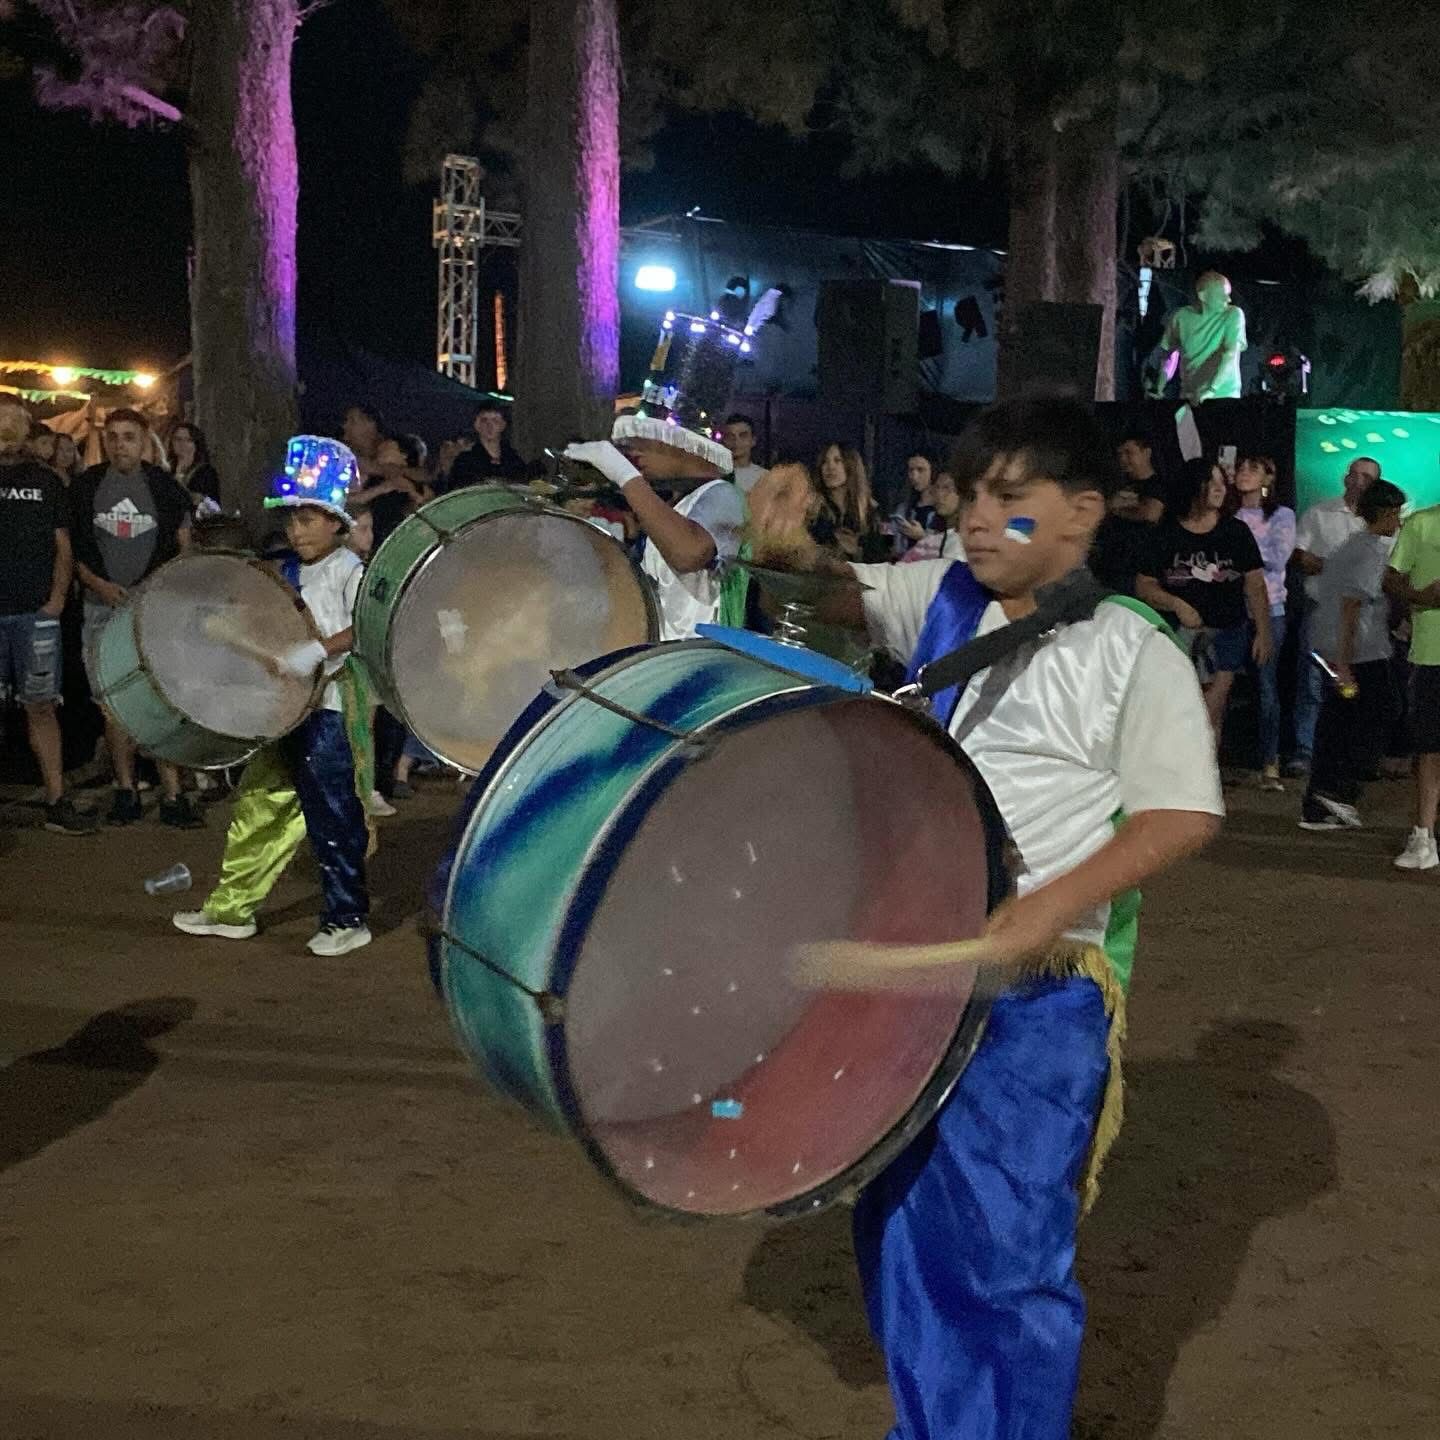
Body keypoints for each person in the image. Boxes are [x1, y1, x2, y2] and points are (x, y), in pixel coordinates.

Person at [748, 393, 1223, 1440]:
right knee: (905, 1227)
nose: (974, 520)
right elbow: (836, 599)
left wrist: (1044, 908)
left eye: (1010, 502)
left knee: (1005, 1256)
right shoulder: (947, 596)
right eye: (969, 498)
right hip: (921, 974)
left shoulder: (1130, 647)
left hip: (1037, 999)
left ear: (1082, 513)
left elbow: (1183, 813)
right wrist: (787, 549)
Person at [173, 440, 373, 955]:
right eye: (291, 521)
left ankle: (347, 918)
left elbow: (367, 626)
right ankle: (232, 910)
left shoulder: (352, 571)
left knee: (332, 818)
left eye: (307, 520)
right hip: (287, 710)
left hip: (330, 712)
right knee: (257, 806)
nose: (296, 530)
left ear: (335, 523)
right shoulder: (285, 571)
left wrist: (317, 650)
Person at [71, 408, 200, 828]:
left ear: (144, 439)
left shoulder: (164, 487)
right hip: (102, 608)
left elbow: (184, 547)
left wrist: (156, 590)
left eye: (128, 436)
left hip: (152, 610)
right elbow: (73, 550)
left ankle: (173, 794)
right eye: (112, 437)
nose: (119, 445)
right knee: (112, 703)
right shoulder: (86, 487)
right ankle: (125, 789)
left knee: (158, 699)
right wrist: (99, 584)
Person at [0, 395, 95, 834]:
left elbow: (63, 546)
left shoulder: (46, 480)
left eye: (15, 420)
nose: (8, 428)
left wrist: (56, 601)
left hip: (35, 614)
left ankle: (57, 800)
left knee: (41, 706)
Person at [562, 433, 746, 641]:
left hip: (700, 650)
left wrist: (626, 476)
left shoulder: (723, 493)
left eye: (648, 441)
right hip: (668, 647)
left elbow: (688, 554)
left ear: (688, 446)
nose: (635, 450)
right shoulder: (678, 502)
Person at [1137, 457, 1272, 738]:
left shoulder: (1235, 531)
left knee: (1210, 711)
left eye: (1222, 482)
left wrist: (1263, 631)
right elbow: (1144, 585)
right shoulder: (1165, 533)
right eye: (1210, 482)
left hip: (1226, 630)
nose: (1219, 488)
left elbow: (1255, 584)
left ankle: (1206, 764)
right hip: (1176, 634)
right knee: (1174, 710)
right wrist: (1176, 604)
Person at [1300, 480, 1406, 832]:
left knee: (1340, 719)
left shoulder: (1354, 546)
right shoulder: (1369, 551)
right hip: (1358, 653)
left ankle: (1323, 799)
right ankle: (1336, 791)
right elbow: (1350, 606)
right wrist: (1343, 664)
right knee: (1374, 712)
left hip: (1342, 649)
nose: (1399, 522)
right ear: (1384, 513)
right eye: (1396, 514)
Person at [1292, 456, 1380, 773]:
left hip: (1362, 617)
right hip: (1322, 610)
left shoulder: (1380, 522)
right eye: (1353, 474)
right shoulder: (1319, 513)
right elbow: (1299, 554)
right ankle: (1306, 751)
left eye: (1366, 477)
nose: (1358, 481)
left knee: (1354, 685)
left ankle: (1348, 754)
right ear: (1344, 478)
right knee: (1313, 683)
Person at [1234, 455, 1297, 789]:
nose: (1243, 473)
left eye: (1253, 469)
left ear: (1268, 479)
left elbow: (1278, 557)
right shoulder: (1229, 514)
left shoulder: (1281, 515)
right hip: (1231, 609)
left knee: (1265, 684)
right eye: (1241, 468)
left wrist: (1240, 552)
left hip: (1270, 609)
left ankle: (1270, 760)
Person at [1384, 498, 1440, 871]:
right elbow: (1391, 577)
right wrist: (1421, 597)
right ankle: (1424, 836)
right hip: (1432, 653)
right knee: (1430, 748)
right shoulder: (1421, 523)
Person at [1149, 270, 1248, 403]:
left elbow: (1230, 354)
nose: (1228, 300)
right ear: (1203, 296)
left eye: (1228, 295)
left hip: (1223, 396)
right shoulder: (1180, 317)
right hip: (1189, 396)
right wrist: (1160, 386)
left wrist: (1212, 390)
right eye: (1222, 295)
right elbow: (1170, 354)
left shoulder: (1233, 314)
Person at [809, 442, 889, 563]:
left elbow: (880, 557)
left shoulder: (870, 511)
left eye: (837, 460)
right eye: (825, 461)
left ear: (851, 465)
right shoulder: (814, 508)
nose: (830, 467)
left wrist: (857, 551)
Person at [448, 399, 528, 487]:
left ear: (503, 425)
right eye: (484, 420)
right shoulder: (465, 462)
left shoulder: (513, 461)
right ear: (476, 425)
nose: (489, 425)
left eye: (495, 420)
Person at [897, 469, 964, 563]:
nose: (939, 494)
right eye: (937, 487)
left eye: (947, 488)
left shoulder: (968, 539)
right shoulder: (929, 542)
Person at [891, 450, 939, 555]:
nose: (914, 476)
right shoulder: (904, 508)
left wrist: (922, 537)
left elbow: (949, 547)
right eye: (911, 470)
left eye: (920, 470)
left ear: (933, 471)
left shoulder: (942, 509)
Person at [1116, 432, 1168, 523]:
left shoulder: (1159, 485)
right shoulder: (1118, 484)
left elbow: (1150, 514)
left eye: (1128, 452)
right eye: (1120, 454)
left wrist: (1116, 509)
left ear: (1147, 453)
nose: (1122, 458)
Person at [169, 422, 221, 508]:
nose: (182, 444)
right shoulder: (165, 469)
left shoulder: (206, 473)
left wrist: (200, 499)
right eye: (178, 439)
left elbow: (215, 507)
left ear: (196, 444)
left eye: (188, 440)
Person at [720, 413, 768, 495]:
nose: (736, 441)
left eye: (743, 436)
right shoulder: (713, 475)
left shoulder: (765, 477)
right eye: (731, 436)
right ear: (724, 441)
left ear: (753, 441)